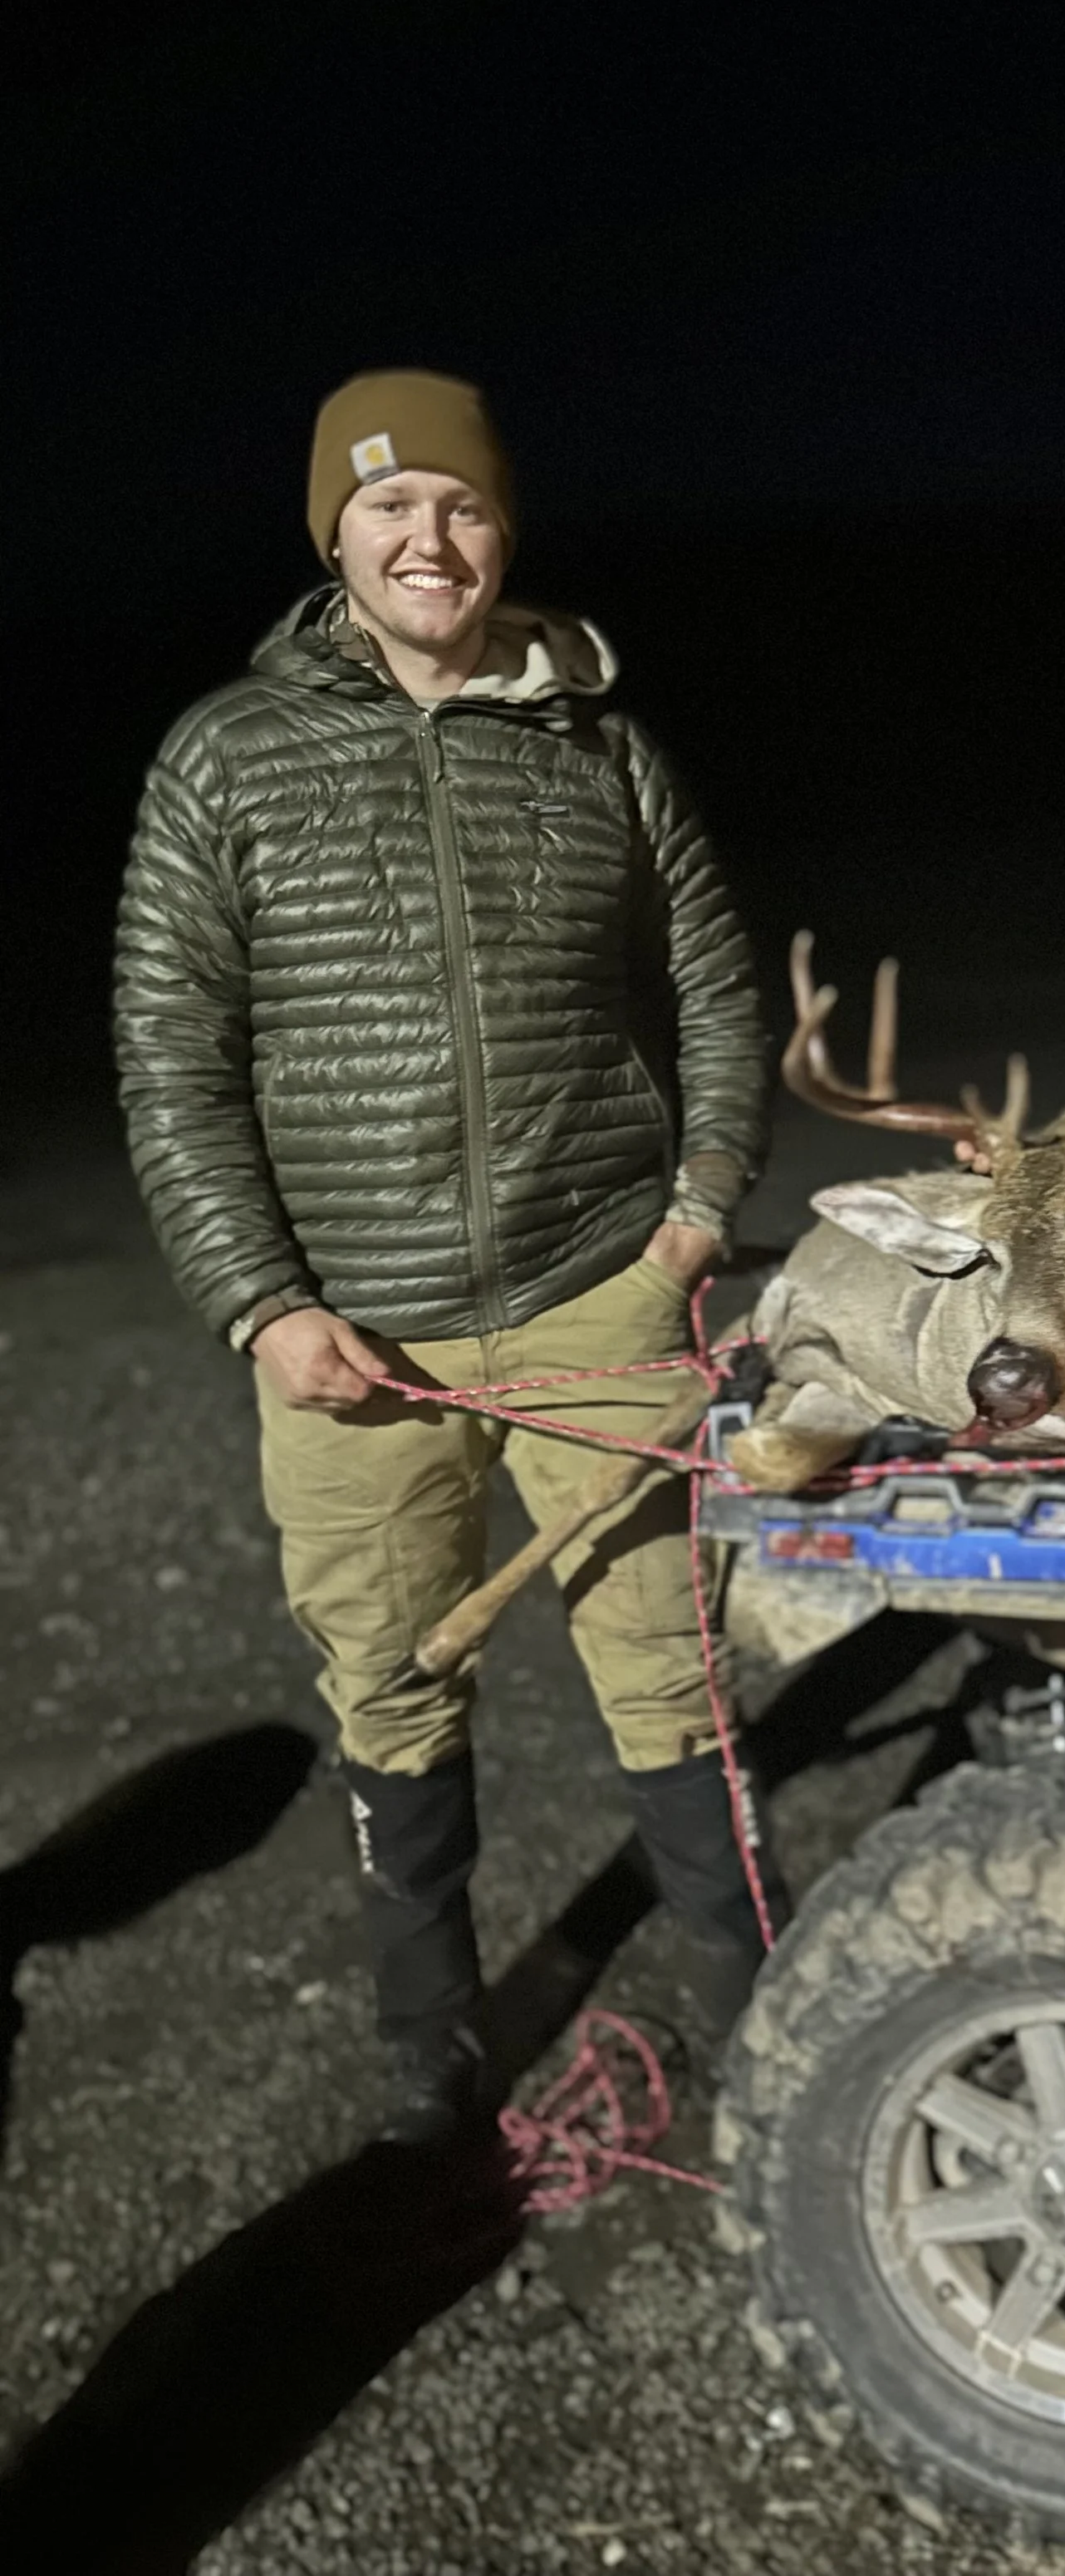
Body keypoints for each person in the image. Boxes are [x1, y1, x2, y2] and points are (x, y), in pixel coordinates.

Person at [115, 371, 781, 2141]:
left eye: (464, 508)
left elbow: (715, 987)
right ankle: (432, 2036)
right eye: (390, 507)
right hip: (355, 1342)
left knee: (669, 1666)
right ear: (333, 530)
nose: (431, 539)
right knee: (392, 1683)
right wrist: (262, 1301)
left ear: (504, 531)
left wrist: (696, 1213)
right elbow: (170, 1054)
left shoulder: (600, 749)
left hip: (595, 1288)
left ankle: (749, 2014)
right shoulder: (228, 756)